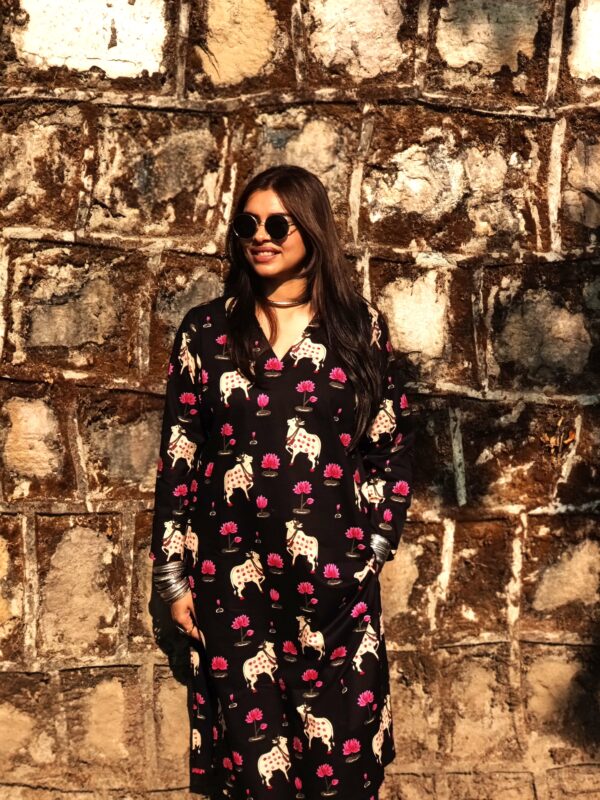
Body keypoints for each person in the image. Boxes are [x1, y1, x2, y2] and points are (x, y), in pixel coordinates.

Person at [149, 164, 416, 800]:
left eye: (277, 224)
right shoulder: (206, 331)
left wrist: (372, 550)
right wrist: (172, 576)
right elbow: (179, 455)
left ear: (312, 229)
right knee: (252, 765)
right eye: (247, 225)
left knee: (343, 757)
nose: (261, 237)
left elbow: (390, 448)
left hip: (334, 582)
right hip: (229, 579)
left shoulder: (359, 329)